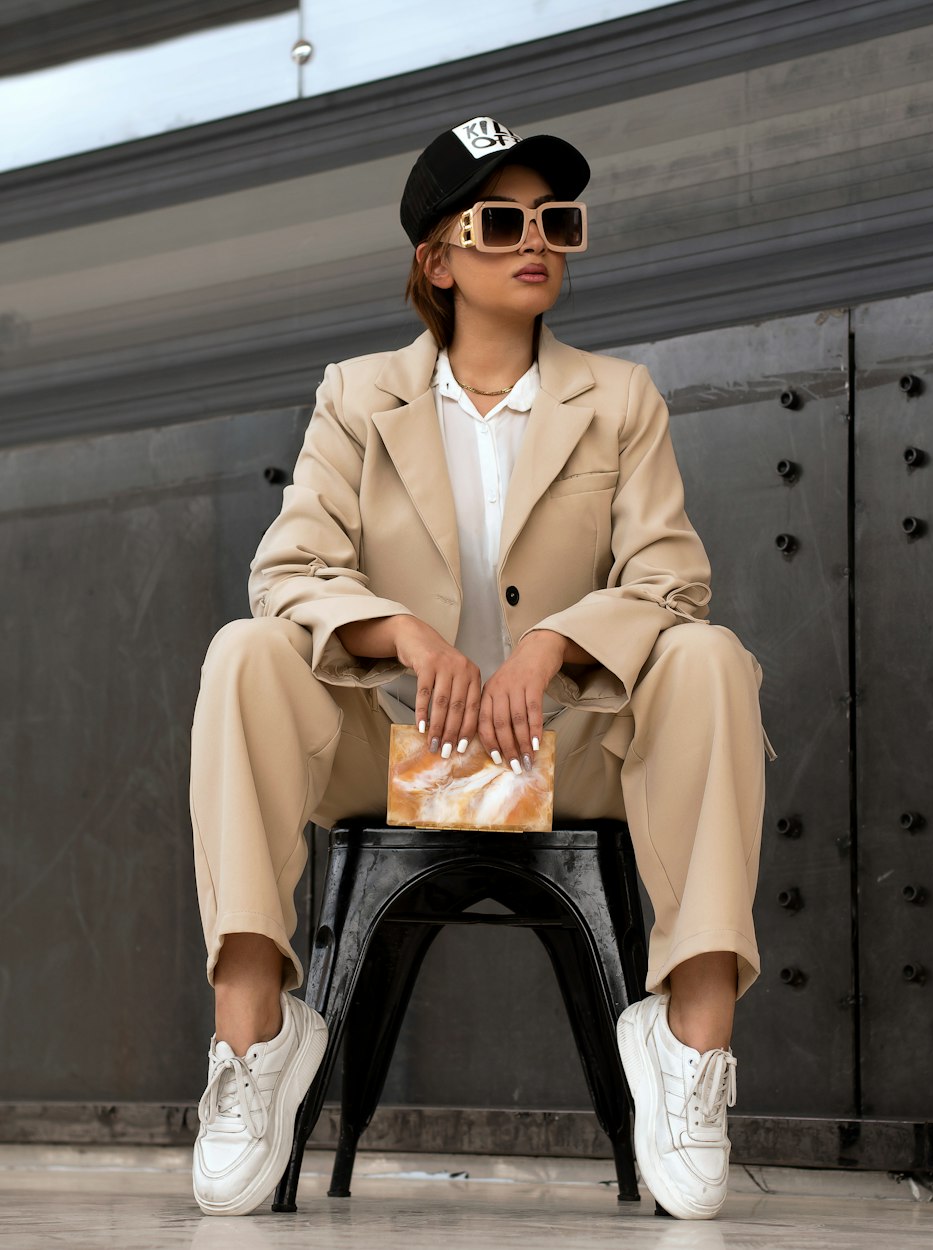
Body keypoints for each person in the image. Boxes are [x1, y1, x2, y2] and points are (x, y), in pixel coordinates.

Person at [189, 115, 774, 1220]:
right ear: (438, 258)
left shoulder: (622, 398)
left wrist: (553, 644)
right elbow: (289, 569)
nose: (534, 239)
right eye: (500, 219)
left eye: (557, 220)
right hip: (392, 751)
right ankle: (252, 1033)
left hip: (568, 754)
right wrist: (403, 633)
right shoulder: (358, 396)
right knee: (247, 650)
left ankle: (691, 1041)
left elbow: (670, 579)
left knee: (706, 657)